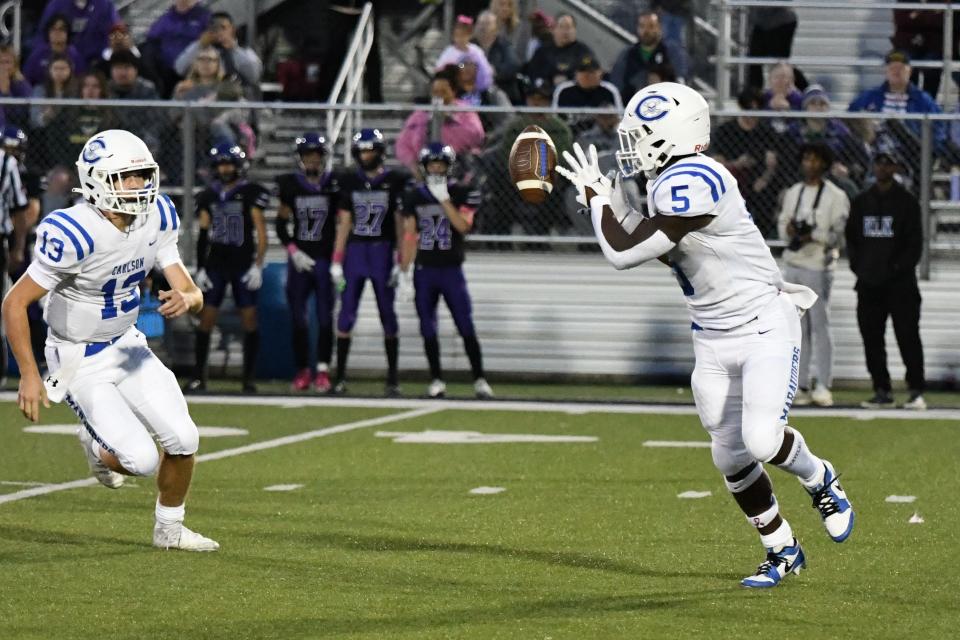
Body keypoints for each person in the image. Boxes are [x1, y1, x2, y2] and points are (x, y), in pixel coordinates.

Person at [557, 82, 854, 587]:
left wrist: (599, 202)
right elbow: (641, 237)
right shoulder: (666, 180)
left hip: (762, 324)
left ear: (674, 134)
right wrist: (604, 203)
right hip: (712, 335)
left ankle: (817, 476)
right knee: (729, 456)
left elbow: (623, 253)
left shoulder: (697, 177)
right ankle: (782, 548)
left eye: (642, 133)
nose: (630, 144)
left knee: (761, 439)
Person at [1, 129, 218, 551]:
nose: (138, 186)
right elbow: (14, 303)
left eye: (141, 175)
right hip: (77, 356)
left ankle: (169, 531)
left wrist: (189, 298)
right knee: (141, 460)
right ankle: (98, 447)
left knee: (184, 439)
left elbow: (190, 289)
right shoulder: (72, 231)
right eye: (126, 177)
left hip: (128, 344)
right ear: (98, 181)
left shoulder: (158, 214)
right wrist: (29, 375)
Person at [399, 143, 493, 399]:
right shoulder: (414, 195)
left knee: (465, 325)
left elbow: (463, 226)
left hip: (451, 269)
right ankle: (437, 379)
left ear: (449, 167)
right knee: (428, 327)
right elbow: (409, 235)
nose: (437, 169)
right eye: (432, 164)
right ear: (425, 167)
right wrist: (404, 272)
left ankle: (479, 379)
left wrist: (444, 199)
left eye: (441, 164)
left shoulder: (462, 192)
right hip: (425, 269)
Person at [845, 151, 926, 410]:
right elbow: (852, 241)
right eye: (879, 163)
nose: (882, 168)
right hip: (869, 284)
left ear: (895, 167)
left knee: (908, 336)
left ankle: (916, 390)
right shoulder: (861, 202)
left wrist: (895, 269)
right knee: (872, 338)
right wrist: (861, 269)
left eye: (887, 164)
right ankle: (881, 389)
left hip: (901, 285)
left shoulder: (907, 202)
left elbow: (915, 245)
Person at [332, 129, 410, 396]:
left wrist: (402, 261)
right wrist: (336, 259)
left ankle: (392, 378)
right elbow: (344, 222)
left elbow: (400, 223)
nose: (367, 156)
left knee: (387, 314)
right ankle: (339, 377)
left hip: (382, 250)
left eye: (371, 150)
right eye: (363, 151)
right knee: (346, 314)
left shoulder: (394, 181)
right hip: (355, 252)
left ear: (380, 152)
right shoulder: (349, 181)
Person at [188, 143, 269, 393]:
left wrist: (258, 264)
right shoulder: (208, 195)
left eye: (229, 164)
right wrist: (200, 268)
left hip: (243, 263)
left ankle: (248, 378)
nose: (225, 169)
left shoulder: (249, 193)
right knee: (207, 318)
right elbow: (203, 234)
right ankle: (200, 376)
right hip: (217, 264)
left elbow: (261, 232)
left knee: (249, 319)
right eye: (221, 164)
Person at [776, 143, 850, 407]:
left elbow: (837, 236)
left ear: (825, 164)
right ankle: (800, 382)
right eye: (806, 158)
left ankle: (823, 383)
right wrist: (794, 231)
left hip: (819, 264)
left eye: (815, 159)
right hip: (794, 262)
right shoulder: (793, 192)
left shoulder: (836, 195)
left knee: (820, 325)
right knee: (796, 327)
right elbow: (783, 226)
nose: (810, 163)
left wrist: (813, 235)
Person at [275, 133, 342, 392]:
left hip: (325, 258)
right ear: (301, 159)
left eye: (316, 156)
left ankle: (323, 370)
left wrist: (338, 259)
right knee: (299, 319)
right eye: (308, 156)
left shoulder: (334, 185)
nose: (312, 161)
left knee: (326, 318)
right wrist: (293, 250)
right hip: (300, 260)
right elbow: (281, 223)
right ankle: (303, 370)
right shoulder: (291, 185)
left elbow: (343, 221)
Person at [395, 70, 485, 175]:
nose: (439, 96)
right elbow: (402, 144)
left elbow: (477, 135)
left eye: (443, 92)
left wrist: (450, 119)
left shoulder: (465, 111)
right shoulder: (420, 114)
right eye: (435, 92)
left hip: (458, 167)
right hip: (424, 166)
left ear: (453, 91)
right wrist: (412, 164)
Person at [174, 11, 263, 93]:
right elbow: (179, 68)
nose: (219, 32)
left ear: (232, 29)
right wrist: (199, 44)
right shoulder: (202, 51)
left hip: (237, 98)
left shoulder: (245, 51)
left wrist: (233, 48)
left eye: (223, 28)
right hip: (207, 99)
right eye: (214, 28)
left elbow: (254, 76)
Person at [0, 134, 28, 383]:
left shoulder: (6, 163)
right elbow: (19, 209)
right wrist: (18, 246)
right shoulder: (6, 163)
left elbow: (20, 210)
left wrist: (17, 247)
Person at [143, 0, 211, 97]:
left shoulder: (204, 17)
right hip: (166, 73)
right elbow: (151, 38)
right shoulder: (165, 18)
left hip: (193, 71)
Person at [31, 0, 119, 70]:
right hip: (61, 62)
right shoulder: (56, 5)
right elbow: (42, 35)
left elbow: (115, 35)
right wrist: (46, 57)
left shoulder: (105, 5)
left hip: (96, 64)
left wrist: (104, 59)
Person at [609, 12, 673, 103]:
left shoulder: (670, 53)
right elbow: (616, 81)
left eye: (651, 26)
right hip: (632, 107)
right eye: (642, 26)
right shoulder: (628, 54)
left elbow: (680, 79)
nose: (646, 31)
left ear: (659, 28)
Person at [553, 56, 623, 135]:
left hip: (602, 138)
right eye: (583, 72)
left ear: (600, 73)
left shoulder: (609, 90)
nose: (587, 76)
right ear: (576, 74)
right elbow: (555, 120)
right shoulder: (564, 91)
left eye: (591, 72)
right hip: (570, 136)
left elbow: (620, 119)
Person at [524, 13, 595, 87]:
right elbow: (532, 73)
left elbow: (589, 74)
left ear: (574, 30)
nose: (565, 32)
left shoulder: (583, 51)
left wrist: (568, 78)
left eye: (568, 27)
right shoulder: (542, 51)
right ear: (553, 29)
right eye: (561, 27)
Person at [22, 13, 87, 87]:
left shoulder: (75, 56)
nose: (57, 32)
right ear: (48, 33)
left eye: (61, 29)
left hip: (70, 93)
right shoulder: (38, 55)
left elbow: (81, 80)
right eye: (53, 29)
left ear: (68, 33)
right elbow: (26, 79)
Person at [435, 15, 495, 95]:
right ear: (453, 36)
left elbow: (484, 69)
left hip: (476, 88)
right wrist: (460, 67)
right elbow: (440, 69)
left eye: (463, 35)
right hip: (455, 90)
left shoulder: (475, 50)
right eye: (457, 36)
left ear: (470, 35)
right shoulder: (449, 51)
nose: (460, 39)